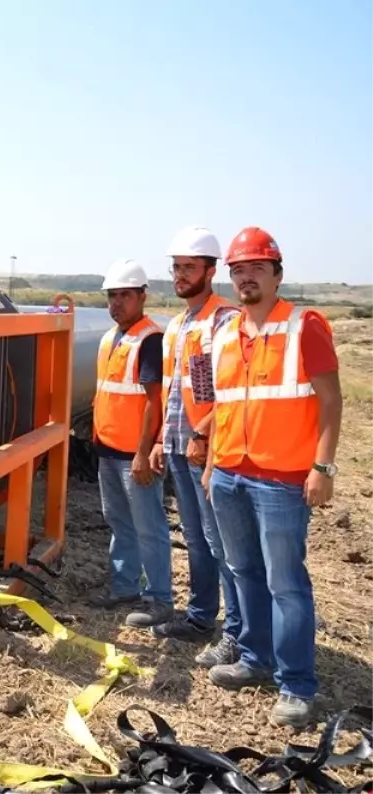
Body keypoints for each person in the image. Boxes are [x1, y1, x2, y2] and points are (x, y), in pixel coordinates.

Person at [203, 227, 342, 728]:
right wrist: (213, 464)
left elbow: (331, 401)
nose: (246, 278)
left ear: (277, 274)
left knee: (286, 583)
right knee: (244, 573)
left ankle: (297, 685)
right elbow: (223, 406)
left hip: (282, 480)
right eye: (238, 270)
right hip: (230, 474)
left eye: (256, 268)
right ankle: (254, 659)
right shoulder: (224, 332)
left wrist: (322, 468)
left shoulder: (304, 325)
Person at [147, 228, 241, 667]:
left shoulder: (225, 319)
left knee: (221, 541)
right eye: (176, 268)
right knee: (196, 536)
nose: (180, 276)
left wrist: (206, 438)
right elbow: (173, 391)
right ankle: (202, 617)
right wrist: (160, 441)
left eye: (189, 268)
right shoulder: (178, 325)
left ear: (211, 270)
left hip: (211, 449)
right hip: (181, 447)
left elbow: (228, 390)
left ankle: (237, 632)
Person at [90, 258, 175, 629]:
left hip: (133, 456)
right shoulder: (112, 338)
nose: (117, 303)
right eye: (112, 296)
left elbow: (154, 401)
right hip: (108, 451)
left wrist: (144, 452)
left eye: (125, 295)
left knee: (148, 527)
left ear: (142, 296)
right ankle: (125, 587)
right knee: (119, 523)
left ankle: (159, 600)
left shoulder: (150, 339)